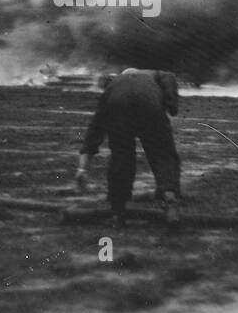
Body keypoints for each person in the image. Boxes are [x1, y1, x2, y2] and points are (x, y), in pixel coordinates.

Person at [75, 68, 182, 229]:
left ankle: (118, 212)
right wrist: (171, 106)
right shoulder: (154, 74)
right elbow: (170, 77)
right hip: (149, 104)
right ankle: (169, 198)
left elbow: (94, 131)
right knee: (162, 153)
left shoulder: (113, 87)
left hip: (117, 105)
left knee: (121, 155)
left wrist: (82, 168)